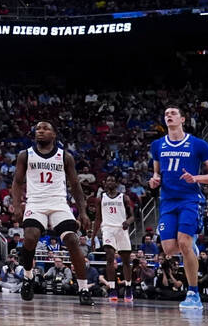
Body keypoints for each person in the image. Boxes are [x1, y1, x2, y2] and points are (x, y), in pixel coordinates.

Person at [148, 105, 208, 310]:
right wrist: (154, 180)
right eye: (166, 114)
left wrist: (196, 178)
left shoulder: (197, 144)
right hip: (167, 201)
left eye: (173, 113)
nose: (168, 116)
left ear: (183, 119)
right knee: (170, 249)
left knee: (184, 243)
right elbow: (157, 173)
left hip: (190, 200)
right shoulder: (157, 145)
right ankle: (191, 247)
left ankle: (193, 293)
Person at [11, 121, 94, 306]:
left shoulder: (65, 157)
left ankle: (83, 288)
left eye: (45, 128)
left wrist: (83, 212)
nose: (40, 131)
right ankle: (28, 276)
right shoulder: (25, 155)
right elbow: (17, 182)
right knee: (30, 237)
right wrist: (17, 205)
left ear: (54, 134)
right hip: (35, 202)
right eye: (38, 129)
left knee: (72, 240)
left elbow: (75, 185)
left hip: (58, 203)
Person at [92, 173, 135, 302]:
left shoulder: (124, 197)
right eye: (108, 181)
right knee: (110, 257)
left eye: (112, 180)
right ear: (105, 184)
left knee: (126, 261)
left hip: (121, 229)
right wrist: (93, 236)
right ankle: (112, 288)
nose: (109, 182)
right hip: (108, 229)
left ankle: (128, 287)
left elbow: (133, 216)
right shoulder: (100, 198)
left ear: (116, 183)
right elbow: (98, 218)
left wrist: (128, 222)